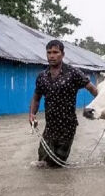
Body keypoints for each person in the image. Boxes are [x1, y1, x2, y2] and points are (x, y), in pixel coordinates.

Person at [29, 40, 98, 168]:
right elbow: (36, 98)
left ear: (63, 54)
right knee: (41, 164)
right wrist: (32, 114)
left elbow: (93, 90)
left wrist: (104, 108)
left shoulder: (73, 73)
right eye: (49, 53)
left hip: (67, 128)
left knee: (56, 166)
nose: (52, 56)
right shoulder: (42, 76)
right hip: (49, 128)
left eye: (55, 52)